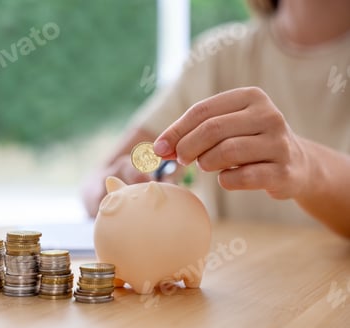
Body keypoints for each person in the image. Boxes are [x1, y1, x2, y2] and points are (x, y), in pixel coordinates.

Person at [81, 0, 350, 238]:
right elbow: (99, 182)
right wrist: (116, 186)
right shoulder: (216, 56)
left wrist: (308, 168)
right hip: (240, 291)